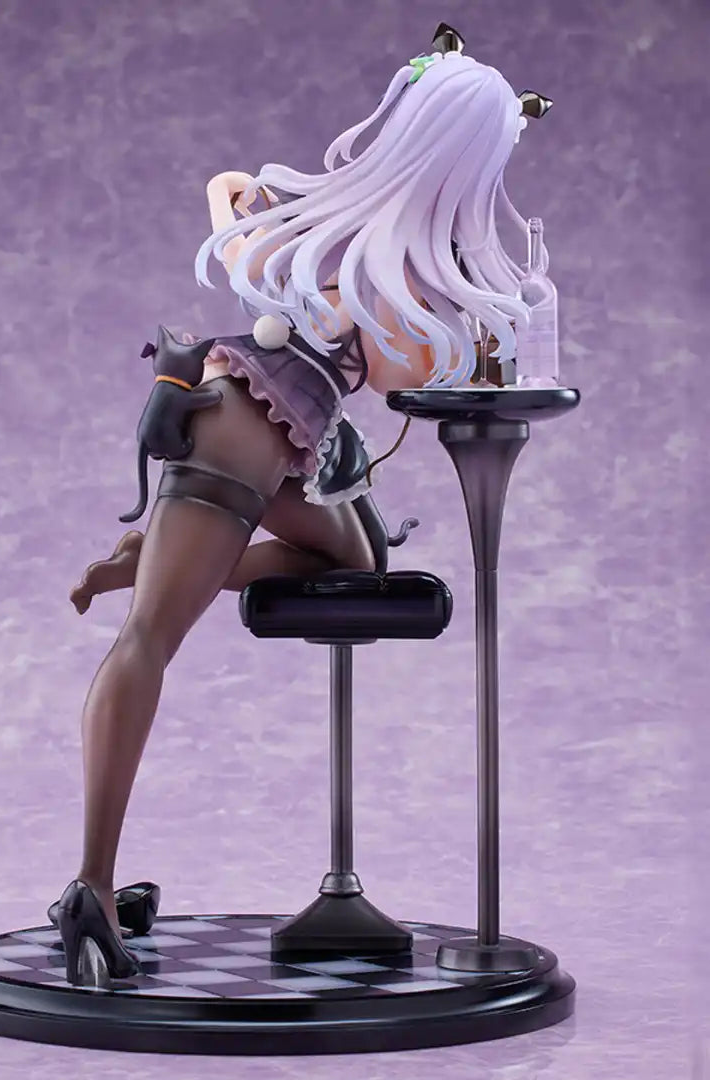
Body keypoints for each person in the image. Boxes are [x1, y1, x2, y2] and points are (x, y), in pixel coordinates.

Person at [53, 38, 540, 987]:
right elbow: (407, 378)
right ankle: (91, 888)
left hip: (277, 440)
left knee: (358, 564)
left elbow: (229, 197)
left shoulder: (332, 233)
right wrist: (468, 329)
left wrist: (245, 212)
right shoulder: (399, 271)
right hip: (238, 428)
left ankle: (154, 556)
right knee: (149, 639)